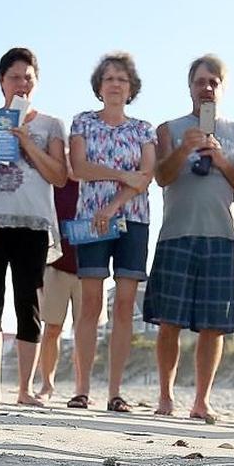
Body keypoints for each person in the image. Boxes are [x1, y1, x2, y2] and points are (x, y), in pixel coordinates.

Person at [144, 54, 234, 421]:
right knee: (169, 321)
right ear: (189, 86)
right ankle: (165, 396)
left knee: (214, 324)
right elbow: (161, 176)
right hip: (176, 232)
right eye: (200, 81)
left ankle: (201, 400)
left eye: (213, 82)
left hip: (221, 234)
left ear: (222, 88)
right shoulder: (168, 128)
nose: (206, 87)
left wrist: (223, 160)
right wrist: (183, 149)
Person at [0, 47, 69, 406]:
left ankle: (24, 388)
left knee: (27, 302)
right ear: (1, 81)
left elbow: (59, 176)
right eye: (14, 77)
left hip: (32, 222)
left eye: (28, 78)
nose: (21, 84)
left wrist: (25, 141)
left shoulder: (51, 124)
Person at [67, 52, 156, 410]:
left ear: (131, 86)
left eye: (121, 78)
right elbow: (79, 166)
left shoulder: (143, 129)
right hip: (90, 218)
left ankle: (115, 391)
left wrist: (113, 204)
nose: (115, 84)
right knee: (89, 303)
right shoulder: (83, 121)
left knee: (123, 305)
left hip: (132, 218)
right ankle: (82, 388)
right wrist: (121, 176)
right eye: (109, 78)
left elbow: (146, 175)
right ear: (99, 87)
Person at [36, 177, 80, 402]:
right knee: (52, 328)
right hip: (55, 266)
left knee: (83, 331)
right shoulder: (54, 183)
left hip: (89, 268)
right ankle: (47, 384)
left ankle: (82, 389)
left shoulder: (96, 182)